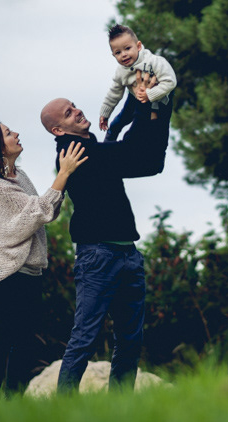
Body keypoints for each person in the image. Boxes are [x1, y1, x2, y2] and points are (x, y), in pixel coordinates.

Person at [39, 95, 170, 393]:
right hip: (98, 256)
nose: (77, 111)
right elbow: (137, 154)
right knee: (84, 338)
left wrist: (150, 108)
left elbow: (146, 160)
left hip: (127, 252)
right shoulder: (74, 151)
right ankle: (64, 410)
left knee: (129, 339)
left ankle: (120, 409)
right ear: (58, 130)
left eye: (74, 106)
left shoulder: (93, 148)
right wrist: (147, 105)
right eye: (68, 113)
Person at [0, 121, 88, 395]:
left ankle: (15, 401)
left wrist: (65, 179)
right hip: (8, 273)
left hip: (32, 272)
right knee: (2, 339)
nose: (16, 134)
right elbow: (32, 215)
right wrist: (64, 173)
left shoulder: (20, 176)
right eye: (9, 133)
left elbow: (46, 212)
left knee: (25, 342)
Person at [99, 24, 176, 142]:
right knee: (119, 121)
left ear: (138, 46)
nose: (123, 54)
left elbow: (170, 81)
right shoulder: (121, 71)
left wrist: (150, 94)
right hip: (134, 97)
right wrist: (105, 113)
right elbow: (114, 93)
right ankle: (108, 142)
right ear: (113, 55)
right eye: (118, 52)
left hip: (159, 99)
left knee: (152, 131)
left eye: (127, 48)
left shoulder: (154, 61)